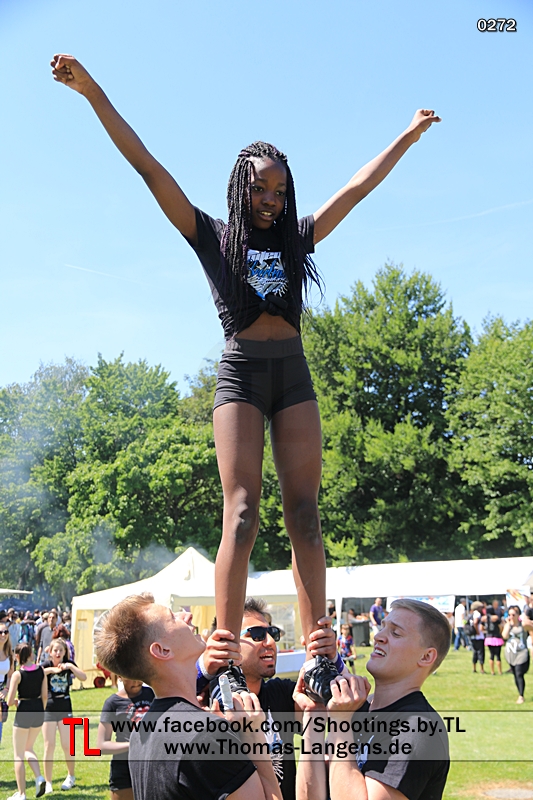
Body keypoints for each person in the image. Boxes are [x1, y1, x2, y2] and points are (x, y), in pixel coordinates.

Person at [51, 53, 441, 694]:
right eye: (261, 189)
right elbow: (149, 166)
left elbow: (356, 189)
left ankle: (319, 653)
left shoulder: (296, 239)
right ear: (240, 188)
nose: (271, 200)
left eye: (280, 192)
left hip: (293, 375)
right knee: (241, 514)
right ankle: (226, 659)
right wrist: (93, 91)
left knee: (306, 515)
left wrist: (406, 136)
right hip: (241, 376)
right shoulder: (211, 235)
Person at [94, 593, 282, 800]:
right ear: (162, 650)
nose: (187, 616)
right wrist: (253, 736)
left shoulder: (142, 731)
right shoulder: (206, 735)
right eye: (172, 617)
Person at [295, 599, 451, 800]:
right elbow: (310, 796)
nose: (378, 636)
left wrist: (340, 723)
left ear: (426, 657)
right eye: (382, 627)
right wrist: (314, 713)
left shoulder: (418, 728)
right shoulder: (356, 708)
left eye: (395, 633)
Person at [199, 597, 340, 800]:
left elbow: (338, 706)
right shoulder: (206, 703)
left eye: (272, 633)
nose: (271, 642)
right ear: (226, 644)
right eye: (257, 634)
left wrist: (329, 656)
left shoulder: (280, 693)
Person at [41, 638, 87, 793]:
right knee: (49, 746)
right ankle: (48, 782)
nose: (58, 653)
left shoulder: (68, 664)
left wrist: (70, 667)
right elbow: (36, 673)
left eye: (61, 650)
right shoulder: (46, 665)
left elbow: (83, 677)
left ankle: (71, 776)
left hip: (65, 708)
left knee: (67, 745)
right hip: (48, 709)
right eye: (55, 650)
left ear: (65, 652)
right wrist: (51, 670)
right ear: (50, 652)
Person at [97, 677, 155, 800]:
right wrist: (133, 745)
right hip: (124, 767)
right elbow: (102, 745)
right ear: (120, 676)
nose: (136, 682)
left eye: (138, 676)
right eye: (131, 677)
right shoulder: (113, 703)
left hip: (151, 766)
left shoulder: (152, 694)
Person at [5, 643, 47, 800]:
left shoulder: (17, 674)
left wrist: (16, 702)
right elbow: (44, 696)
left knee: (18, 754)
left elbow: (9, 701)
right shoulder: (41, 670)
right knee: (28, 748)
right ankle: (39, 777)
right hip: (38, 711)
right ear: (31, 654)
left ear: (17, 656)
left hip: (24, 711)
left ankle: (22, 793)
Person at [502, 605, 533, 704]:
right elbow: (504, 636)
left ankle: (521, 696)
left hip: (521, 652)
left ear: (518, 615)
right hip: (511, 653)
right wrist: (508, 624)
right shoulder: (508, 625)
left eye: (513, 615)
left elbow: (531, 628)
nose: (511, 617)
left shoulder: (522, 625)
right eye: (509, 614)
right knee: (515, 674)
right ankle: (520, 692)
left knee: (519, 673)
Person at [0, 620, 15, 747]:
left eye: (5, 632)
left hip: (1, 692)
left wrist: (6, 689)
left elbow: (11, 675)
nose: (3, 635)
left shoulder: (10, 654)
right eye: (0, 632)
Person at [485, 599, 504, 676]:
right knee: (498, 656)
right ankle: (500, 671)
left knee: (491, 655)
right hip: (497, 637)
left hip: (489, 638)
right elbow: (500, 627)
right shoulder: (496, 618)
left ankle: (492, 671)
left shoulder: (486, 618)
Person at [469, 601, 486, 674]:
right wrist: (478, 631)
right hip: (478, 637)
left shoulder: (471, 614)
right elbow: (475, 622)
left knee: (474, 652)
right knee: (480, 653)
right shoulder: (477, 614)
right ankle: (482, 669)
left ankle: (474, 668)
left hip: (473, 636)